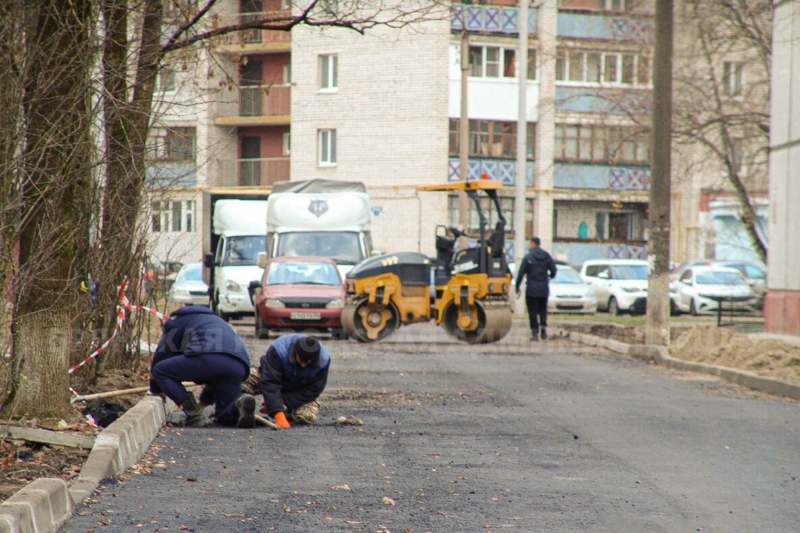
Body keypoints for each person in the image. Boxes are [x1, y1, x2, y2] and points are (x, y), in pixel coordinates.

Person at [150, 305, 256, 428]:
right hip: (237, 365)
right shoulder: (216, 320)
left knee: (160, 370)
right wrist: (202, 404)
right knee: (224, 416)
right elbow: (214, 375)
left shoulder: (176, 321)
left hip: (208, 358)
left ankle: (194, 416)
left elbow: (162, 355)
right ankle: (240, 404)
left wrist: (156, 389)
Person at [258, 334, 331, 429]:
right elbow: (270, 381)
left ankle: (287, 415)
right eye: (301, 360)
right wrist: (277, 412)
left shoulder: (323, 360)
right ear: (296, 352)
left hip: (298, 388)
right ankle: (236, 405)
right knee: (247, 380)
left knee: (307, 416)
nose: (304, 365)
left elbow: (314, 389)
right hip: (270, 376)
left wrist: (282, 401)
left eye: (308, 363)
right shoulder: (279, 350)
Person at [515, 237, 557, 341]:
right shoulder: (547, 256)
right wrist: (549, 277)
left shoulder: (528, 257)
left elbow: (521, 273)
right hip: (543, 289)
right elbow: (554, 270)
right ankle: (543, 329)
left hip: (531, 289)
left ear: (533, 243)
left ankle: (534, 334)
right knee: (543, 310)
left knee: (532, 311)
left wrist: (517, 287)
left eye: (530, 243)